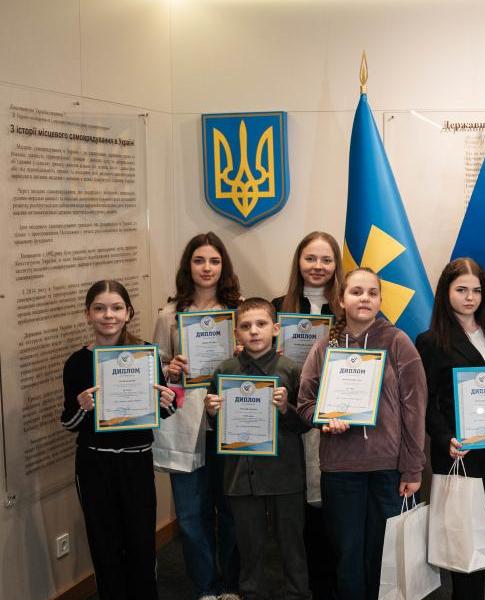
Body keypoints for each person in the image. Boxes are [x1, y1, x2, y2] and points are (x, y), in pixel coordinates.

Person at [296, 268, 427, 600]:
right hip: (340, 468)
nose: (364, 298)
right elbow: (305, 404)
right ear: (341, 300)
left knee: (384, 554)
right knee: (348, 555)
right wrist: (324, 421)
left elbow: (415, 410)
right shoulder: (325, 347)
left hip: (388, 469)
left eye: (372, 293)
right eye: (356, 292)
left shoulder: (398, 342)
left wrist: (412, 468)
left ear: (380, 300)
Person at [62, 280, 177, 600]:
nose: (108, 315)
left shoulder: (145, 355)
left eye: (116, 308)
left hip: (136, 460)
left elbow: (163, 412)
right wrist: (83, 407)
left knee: (141, 543)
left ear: (128, 313)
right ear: (87, 314)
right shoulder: (77, 363)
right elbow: (68, 423)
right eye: (99, 308)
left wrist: (169, 400)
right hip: (94, 463)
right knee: (104, 544)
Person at [415, 258, 485, 600]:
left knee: (480, 528)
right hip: (456, 449)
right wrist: (445, 439)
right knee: (460, 534)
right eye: (461, 290)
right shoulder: (430, 340)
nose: (470, 298)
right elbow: (425, 400)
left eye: (476, 291)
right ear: (446, 292)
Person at [154, 232, 242, 600]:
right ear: (188, 266)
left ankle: (231, 586)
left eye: (214, 261)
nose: (207, 268)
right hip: (187, 425)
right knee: (191, 516)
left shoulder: (239, 311)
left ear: (224, 267)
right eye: (199, 260)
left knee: (233, 512)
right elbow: (156, 371)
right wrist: (170, 369)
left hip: (230, 422)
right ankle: (206, 587)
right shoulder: (169, 315)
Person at [204, 298, 310, 600]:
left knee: (291, 545)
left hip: (285, 475)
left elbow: (305, 424)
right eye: (246, 326)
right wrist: (211, 412)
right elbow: (217, 427)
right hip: (241, 475)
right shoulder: (224, 371)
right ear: (236, 333)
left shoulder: (290, 370)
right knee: (249, 546)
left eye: (261, 324)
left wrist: (286, 408)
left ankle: (298, 594)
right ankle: (251, 594)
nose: (254, 331)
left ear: (275, 328)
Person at [271, 231, 343, 600]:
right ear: (298, 262)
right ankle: (306, 583)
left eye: (326, 260)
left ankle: (329, 583)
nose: (317, 266)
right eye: (310, 258)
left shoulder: (346, 310)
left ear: (336, 265)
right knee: (296, 506)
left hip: (331, 418)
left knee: (327, 502)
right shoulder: (276, 308)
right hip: (287, 420)